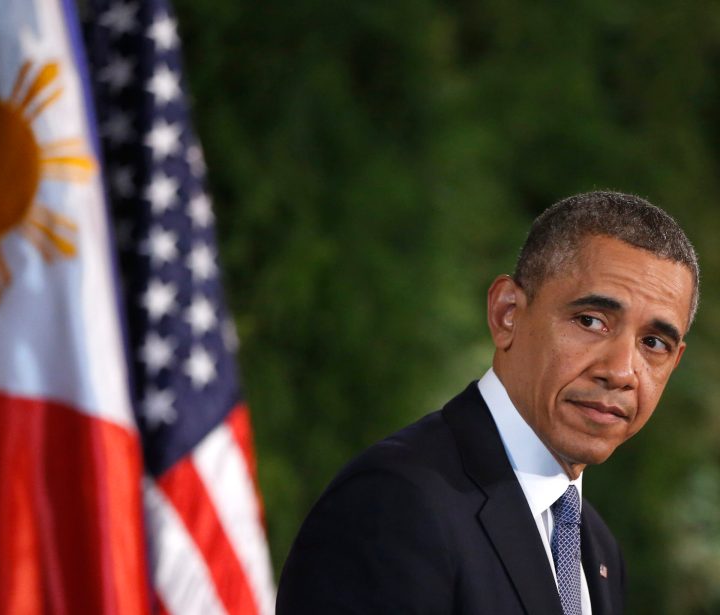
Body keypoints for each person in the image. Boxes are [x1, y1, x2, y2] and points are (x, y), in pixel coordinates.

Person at [275, 191, 700, 615]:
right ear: (506, 313)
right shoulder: (394, 502)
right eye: (590, 321)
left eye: (653, 343)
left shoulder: (598, 546)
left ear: (674, 362)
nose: (622, 371)